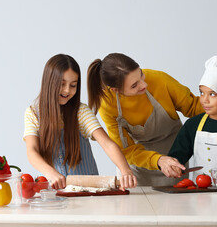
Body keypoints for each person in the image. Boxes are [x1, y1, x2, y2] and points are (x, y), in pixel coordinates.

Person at [87, 53, 217, 186]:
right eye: (134, 86)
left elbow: (194, 108)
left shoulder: (159, 80)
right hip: (138, 168)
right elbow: (127, 150)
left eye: (141, 76)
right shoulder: (107, 105)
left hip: (175, 161)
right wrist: (158, 160)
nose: (143, 85)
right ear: (116, 90)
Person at [23, 54, 137, 190]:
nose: (67, 90)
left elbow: (107, 144)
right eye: (62, 84)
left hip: (88, 191)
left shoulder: (81, 112)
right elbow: (32, 151)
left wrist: (125, 170)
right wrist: (51, 173)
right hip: (56, 191)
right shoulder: (34, 113)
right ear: (49, 82)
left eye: (73, 85)